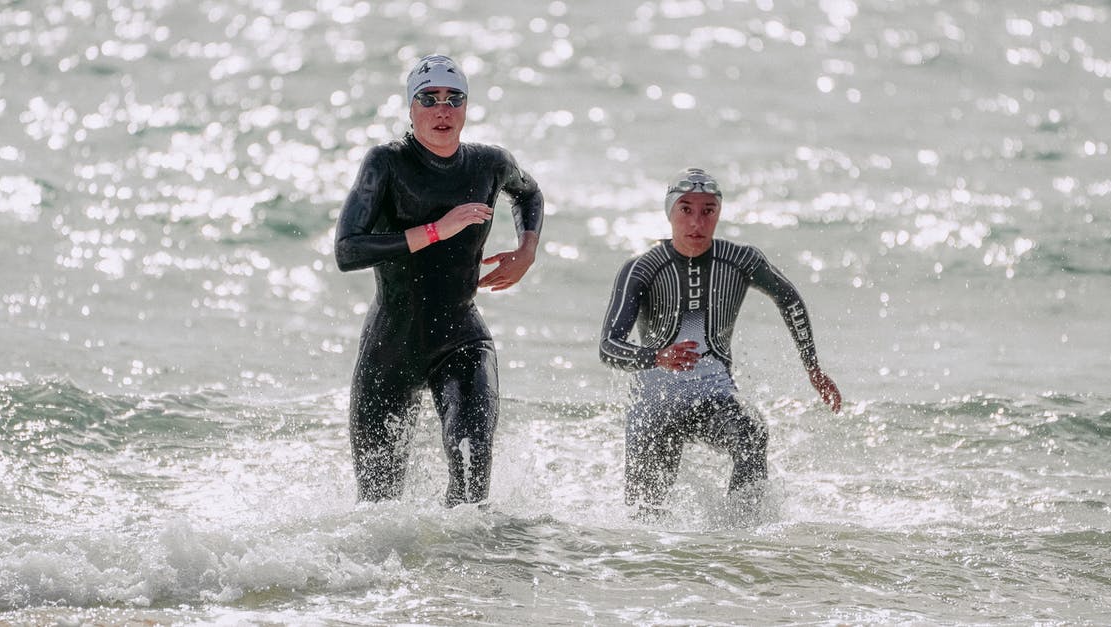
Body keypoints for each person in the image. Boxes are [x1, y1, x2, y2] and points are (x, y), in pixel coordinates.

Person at [335, 54, 544, 506]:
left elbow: (528, 192)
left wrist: (527, 249)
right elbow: (347, 249)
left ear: (467, 108)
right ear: (411, 109)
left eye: (454, 99)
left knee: (472, 470)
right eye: (428, 99)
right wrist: (436, 230)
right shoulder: (386, 164)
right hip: (391, 345)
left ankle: (465, 572)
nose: (442, 110)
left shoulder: (489, 163)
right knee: (378, 505)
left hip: (460, 338)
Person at [599, 167, 840, 516]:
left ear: (718, 214)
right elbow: (609, 347)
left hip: (711, 396)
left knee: (751, 432)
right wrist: (657, 357)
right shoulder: (642, 268)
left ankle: (742, 536)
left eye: (708, 210)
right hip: (654, 405)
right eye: (686, 209)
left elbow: (790, 300)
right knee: (645, 518)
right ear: (670, 212)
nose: (697, 222)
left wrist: (812, 368)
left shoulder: (741, 261)